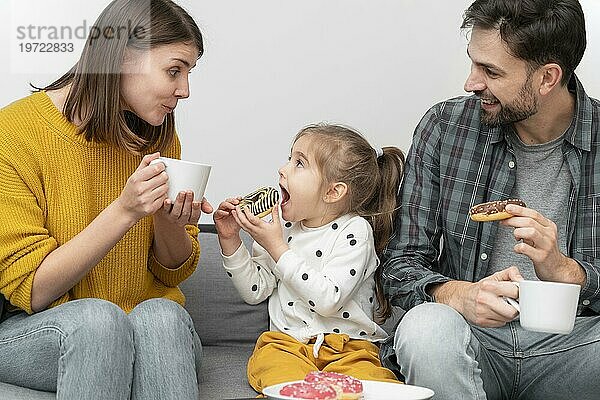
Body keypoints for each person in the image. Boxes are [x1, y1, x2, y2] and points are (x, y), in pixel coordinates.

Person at [380, 0, 600, 399]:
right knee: (424, 328)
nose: (471, 82)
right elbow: (400, 262)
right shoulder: (444, 128)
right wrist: (458, 294)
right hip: (471, 340)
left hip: (576, 346)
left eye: (491, 71)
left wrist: (568, 273)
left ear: (548, 77)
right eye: (473, 63)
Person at [0, 0, 213, 399]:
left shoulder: (157, 136)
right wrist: (125, 210)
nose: (184, 90)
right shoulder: (13, 134)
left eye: (188, 73)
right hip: (48, 331)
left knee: (163, 315)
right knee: (100, 321)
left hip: (152, 332)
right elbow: (33, 290)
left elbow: (171, 274)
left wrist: (168, 221)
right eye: (174, 70)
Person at [213, 124, 405, 392]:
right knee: (280, 380)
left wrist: (277, 248)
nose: (283, 169)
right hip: (286, 345)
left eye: (299, 163)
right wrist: (230, 240)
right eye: (290, 158)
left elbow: (328, 300)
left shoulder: (355, 232)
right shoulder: (281, 229)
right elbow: (255, 291)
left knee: (371, 388)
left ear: (332, 192)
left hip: (348, 347)